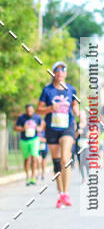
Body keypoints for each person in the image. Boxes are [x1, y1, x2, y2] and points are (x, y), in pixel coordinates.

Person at [37, 61, 80, 208]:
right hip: (52, 128)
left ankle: (66, 193)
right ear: (54, 73)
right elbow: (39, 110)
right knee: (56, 163)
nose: (60, 72)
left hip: (67, 127)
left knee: (65, 158)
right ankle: (60, 193)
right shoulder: (47, 90)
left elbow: (75, 104)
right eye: (57, 70)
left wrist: (76, 110)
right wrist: (50, 108)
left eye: (63, 70)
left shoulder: (71, 89)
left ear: (66, 73)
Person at [14, 103, 41, 185]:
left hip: (34, 139)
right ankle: (28, 177)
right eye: (28, 110)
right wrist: (23, 128)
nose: (29, 111)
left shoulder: (37, 117)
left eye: (31, 110)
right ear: (26, 111)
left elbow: (41, 125)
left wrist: (39, 128)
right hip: (24, 140)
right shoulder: (21, 118)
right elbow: (15, 128)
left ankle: (33, 177)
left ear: (33, 110)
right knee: (26, 159)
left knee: (34, 157)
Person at [37, 114, 48, 180]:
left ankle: (43, 174)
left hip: (44, 148)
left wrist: (41, 139)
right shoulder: (37, 131)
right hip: (38, 148)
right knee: (38, 160)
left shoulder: (46, 131)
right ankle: (39, 173)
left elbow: (48, 139)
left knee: (43, 162)